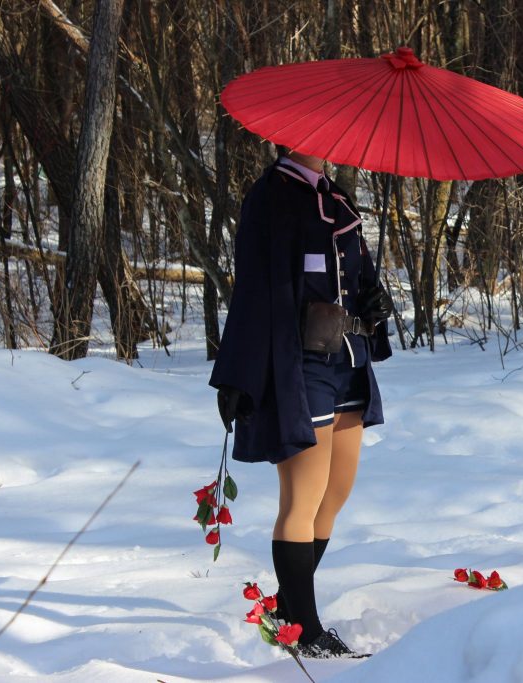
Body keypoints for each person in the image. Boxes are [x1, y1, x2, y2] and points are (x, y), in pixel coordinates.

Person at [209, 148, 392, 659]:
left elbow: (358, 276)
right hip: (298, 365)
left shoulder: (336, 197)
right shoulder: (270, 197)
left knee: (336, 492)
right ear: (291, 138)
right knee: (303, 499)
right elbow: (253, 290)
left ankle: (290, 607)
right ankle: (305, 631)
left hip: (349, 360)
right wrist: (239, 375)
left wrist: (374, 301)